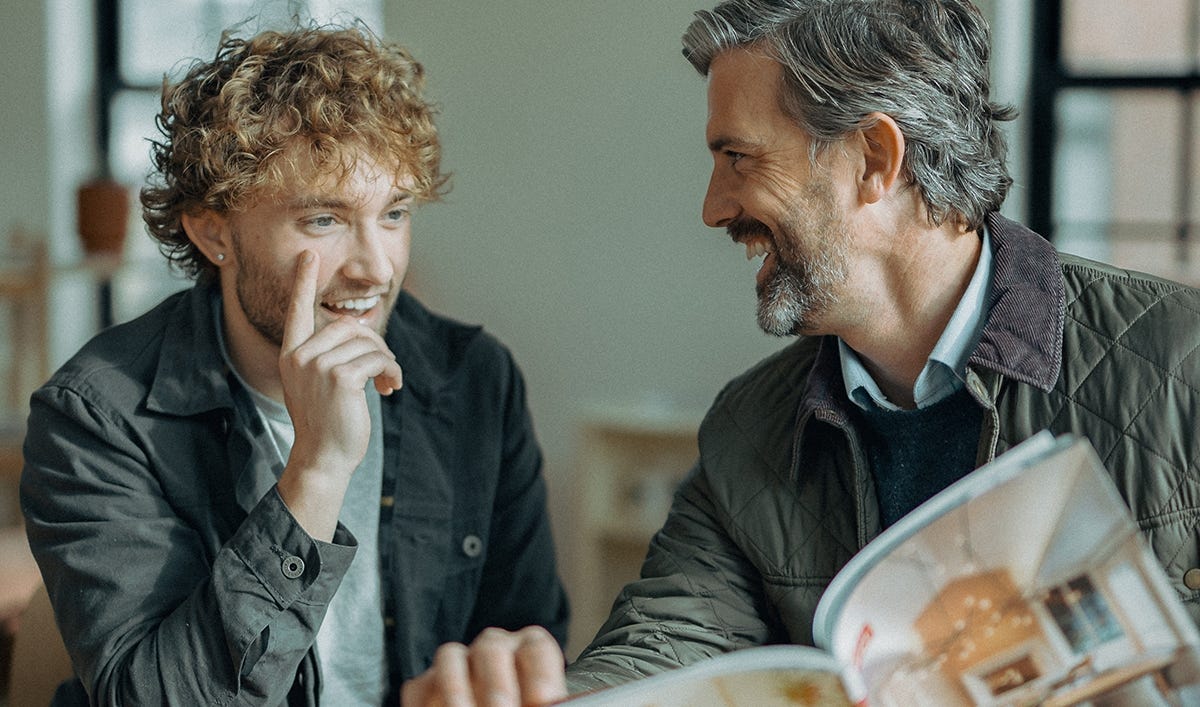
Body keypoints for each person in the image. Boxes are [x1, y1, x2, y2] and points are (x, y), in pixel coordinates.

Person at [401, 0, 1200, 704]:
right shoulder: (748, 431)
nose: (714, 207)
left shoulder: (1183, 362)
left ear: (876, 161)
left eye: (738, 158)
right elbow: (660, 653)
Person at [20, 25, 569, 706]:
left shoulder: (474, 378)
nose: (375, 266)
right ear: (213, 230)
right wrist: (318, 468)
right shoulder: (97, 417)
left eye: (393, 212)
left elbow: (525, 637)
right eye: (323, 220)